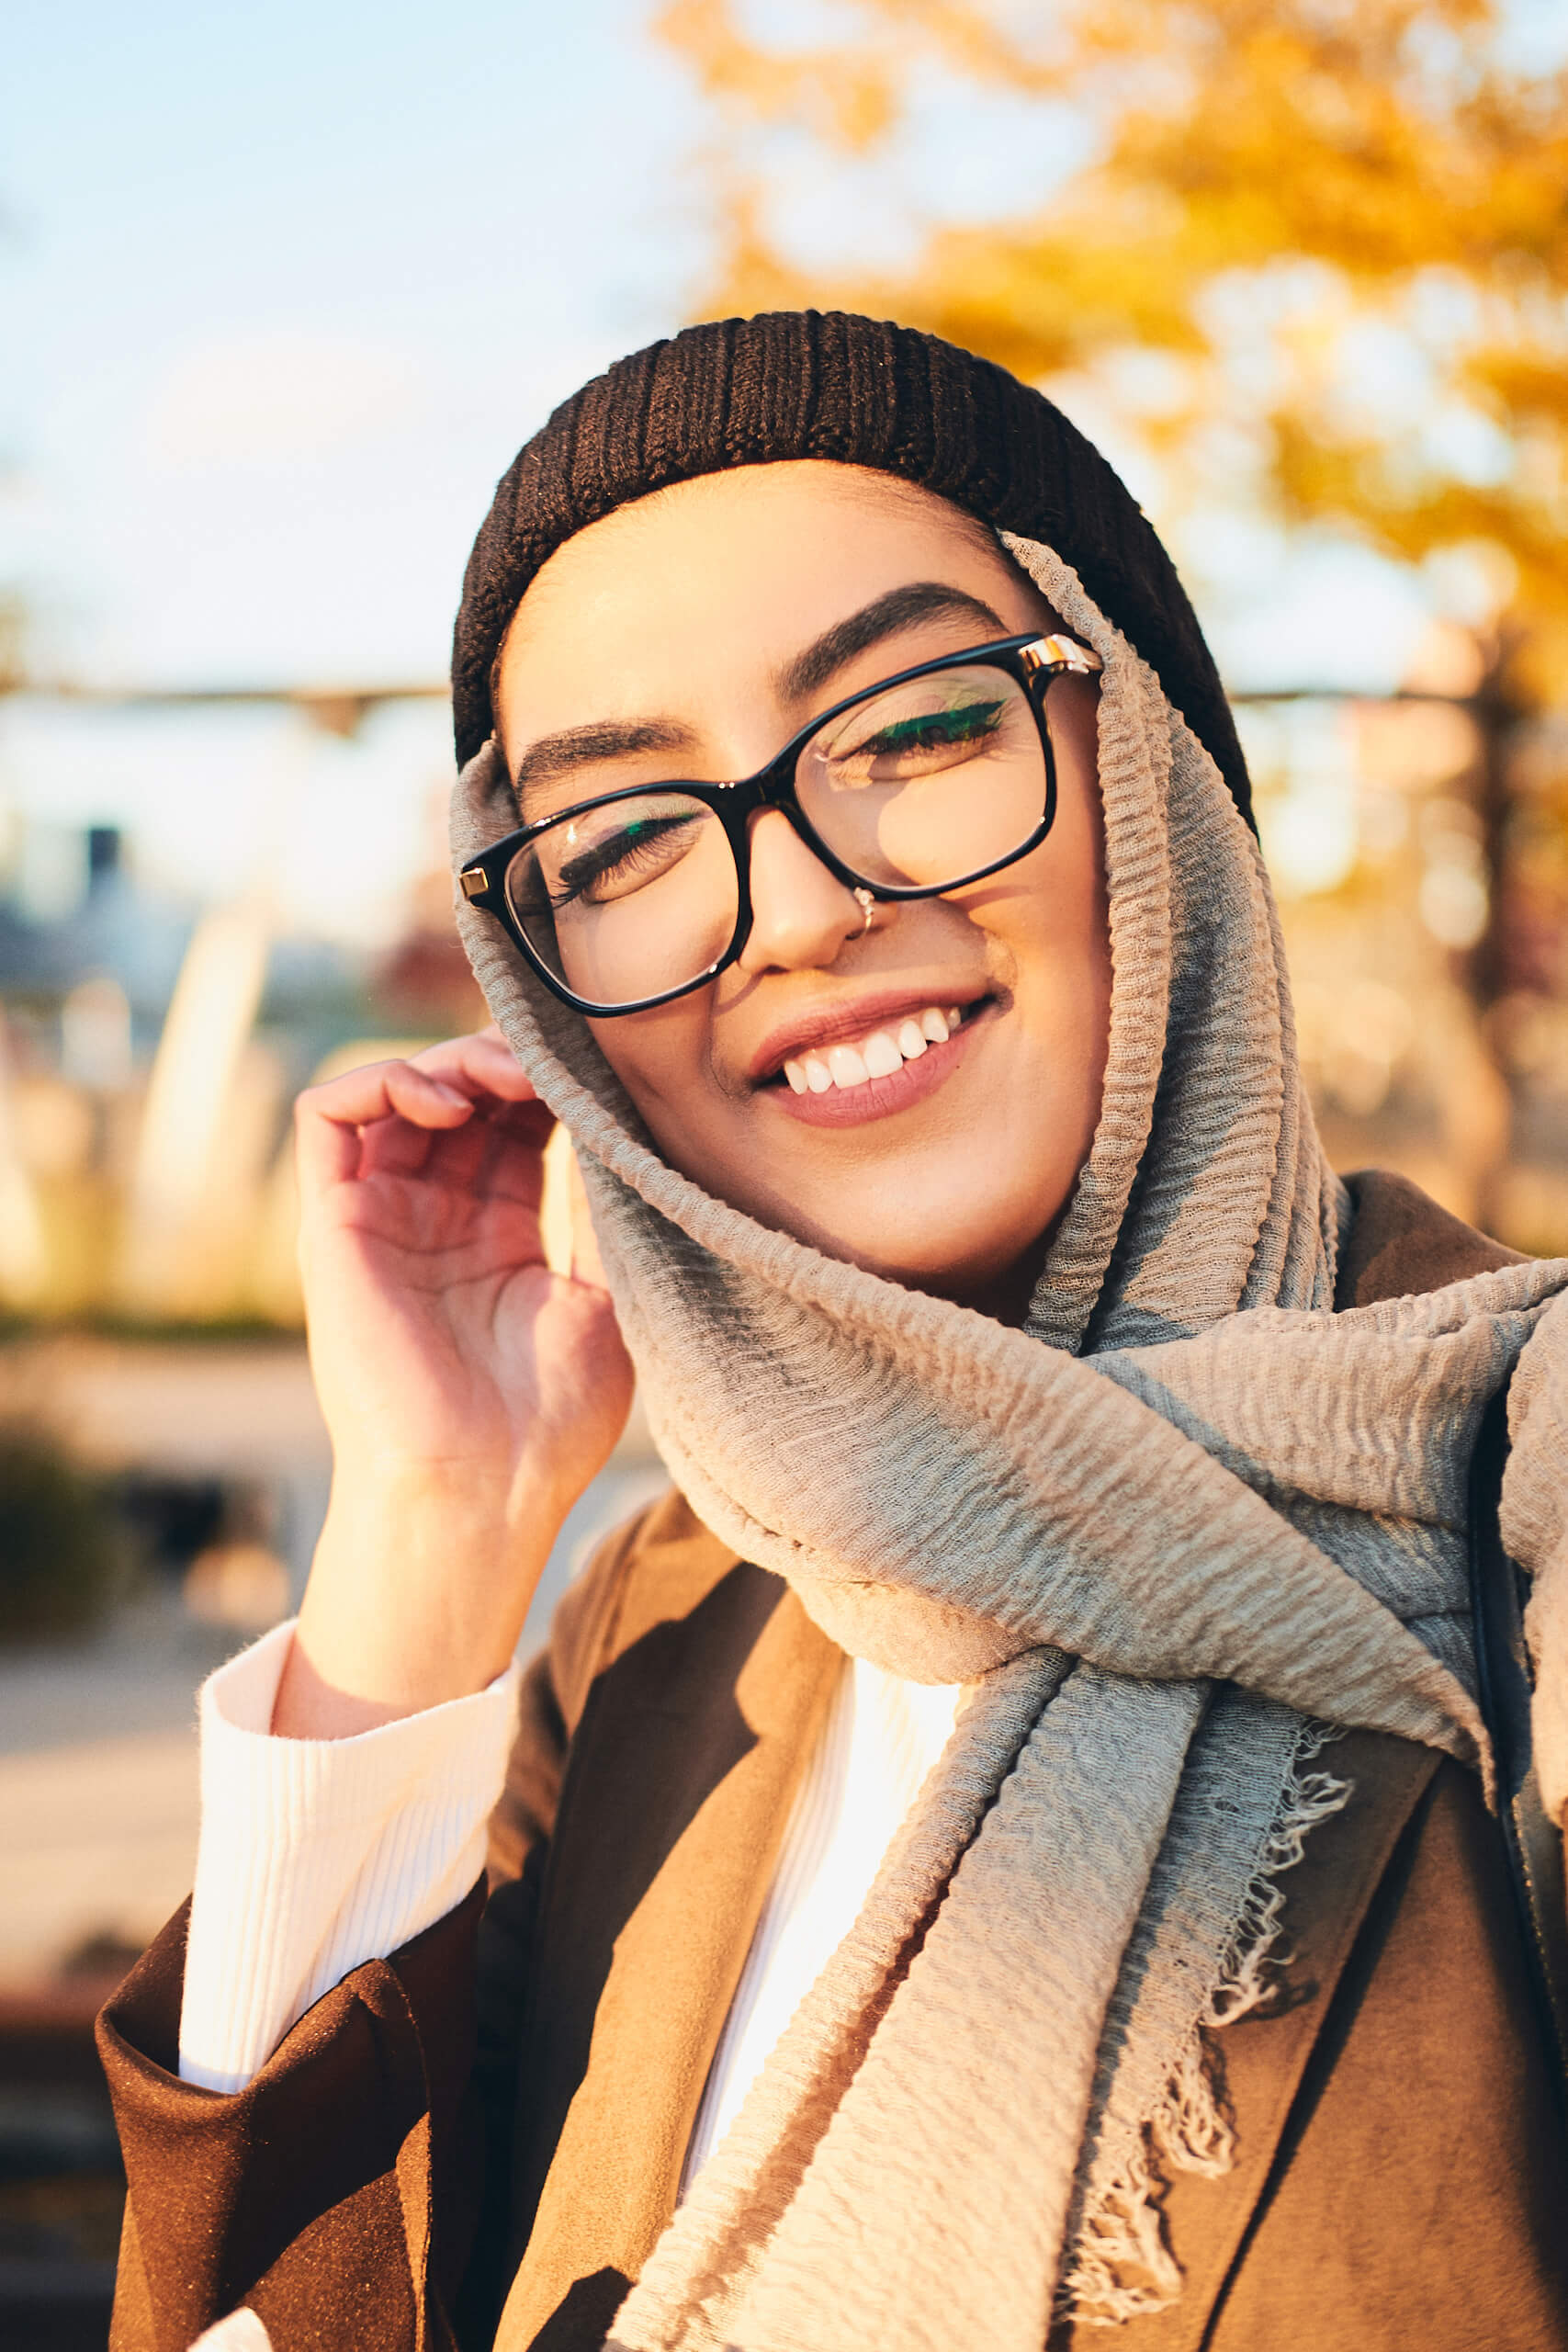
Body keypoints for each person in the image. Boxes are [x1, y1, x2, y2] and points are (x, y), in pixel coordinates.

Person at [98, 311, 1568, 2352]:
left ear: (1142, 760)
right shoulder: (666, 1623)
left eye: (912, 728)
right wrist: (428, 1537)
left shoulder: (1517, 1509)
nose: (794, 908)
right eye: (619, 842)